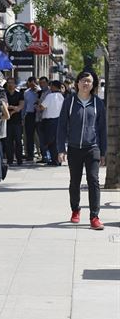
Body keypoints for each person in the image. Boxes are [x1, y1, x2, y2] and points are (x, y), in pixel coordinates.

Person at [57, 70, 107, 230]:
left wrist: (103, 151)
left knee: (93, 180)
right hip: (74, 148)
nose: (86, 84)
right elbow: (62, 126)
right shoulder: (70, 102)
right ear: (77, 83)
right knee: (75, 181)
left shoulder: (98, 103)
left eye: (89, 81)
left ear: (93, 85)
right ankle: (75, 210)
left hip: (92, 148)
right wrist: (60, 149)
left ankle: (94, 216)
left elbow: (102, 129)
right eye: (83, 80)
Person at [38, 80, 64, 166]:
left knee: (50, 141)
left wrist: (37, 106)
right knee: (56, 141)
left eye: (51, 86)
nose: (50, 87)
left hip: (49, 121)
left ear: (54, 86)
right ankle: (57, 159)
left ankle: (54, 159)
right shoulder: (61, 96)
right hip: (59, 120)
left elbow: (42, 107)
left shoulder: (50, 96)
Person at [5, 77, 24, 165]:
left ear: (15, 84)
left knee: (18, 141)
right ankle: (10, 159)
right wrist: (14, 108)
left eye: (12, 83)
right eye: (8, 83)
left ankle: (19, 159)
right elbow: (4, 106)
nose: (10, 84)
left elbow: (20, 107)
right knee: (8, 142)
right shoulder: (4, 94)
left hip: (17, 122)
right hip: (7, 122)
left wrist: (11, 110)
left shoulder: (19, 94)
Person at [22, 76, 39, 161]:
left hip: (39, 115)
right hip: (29, 115)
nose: (32, 85)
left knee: (39, 136)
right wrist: (23, 116)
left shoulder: (40, 91)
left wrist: (37, 92)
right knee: (29, 137)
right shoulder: (26, 92)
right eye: (30, 83)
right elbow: (24, 105)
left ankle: (42, 154)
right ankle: (30, 155)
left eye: (34, 83)